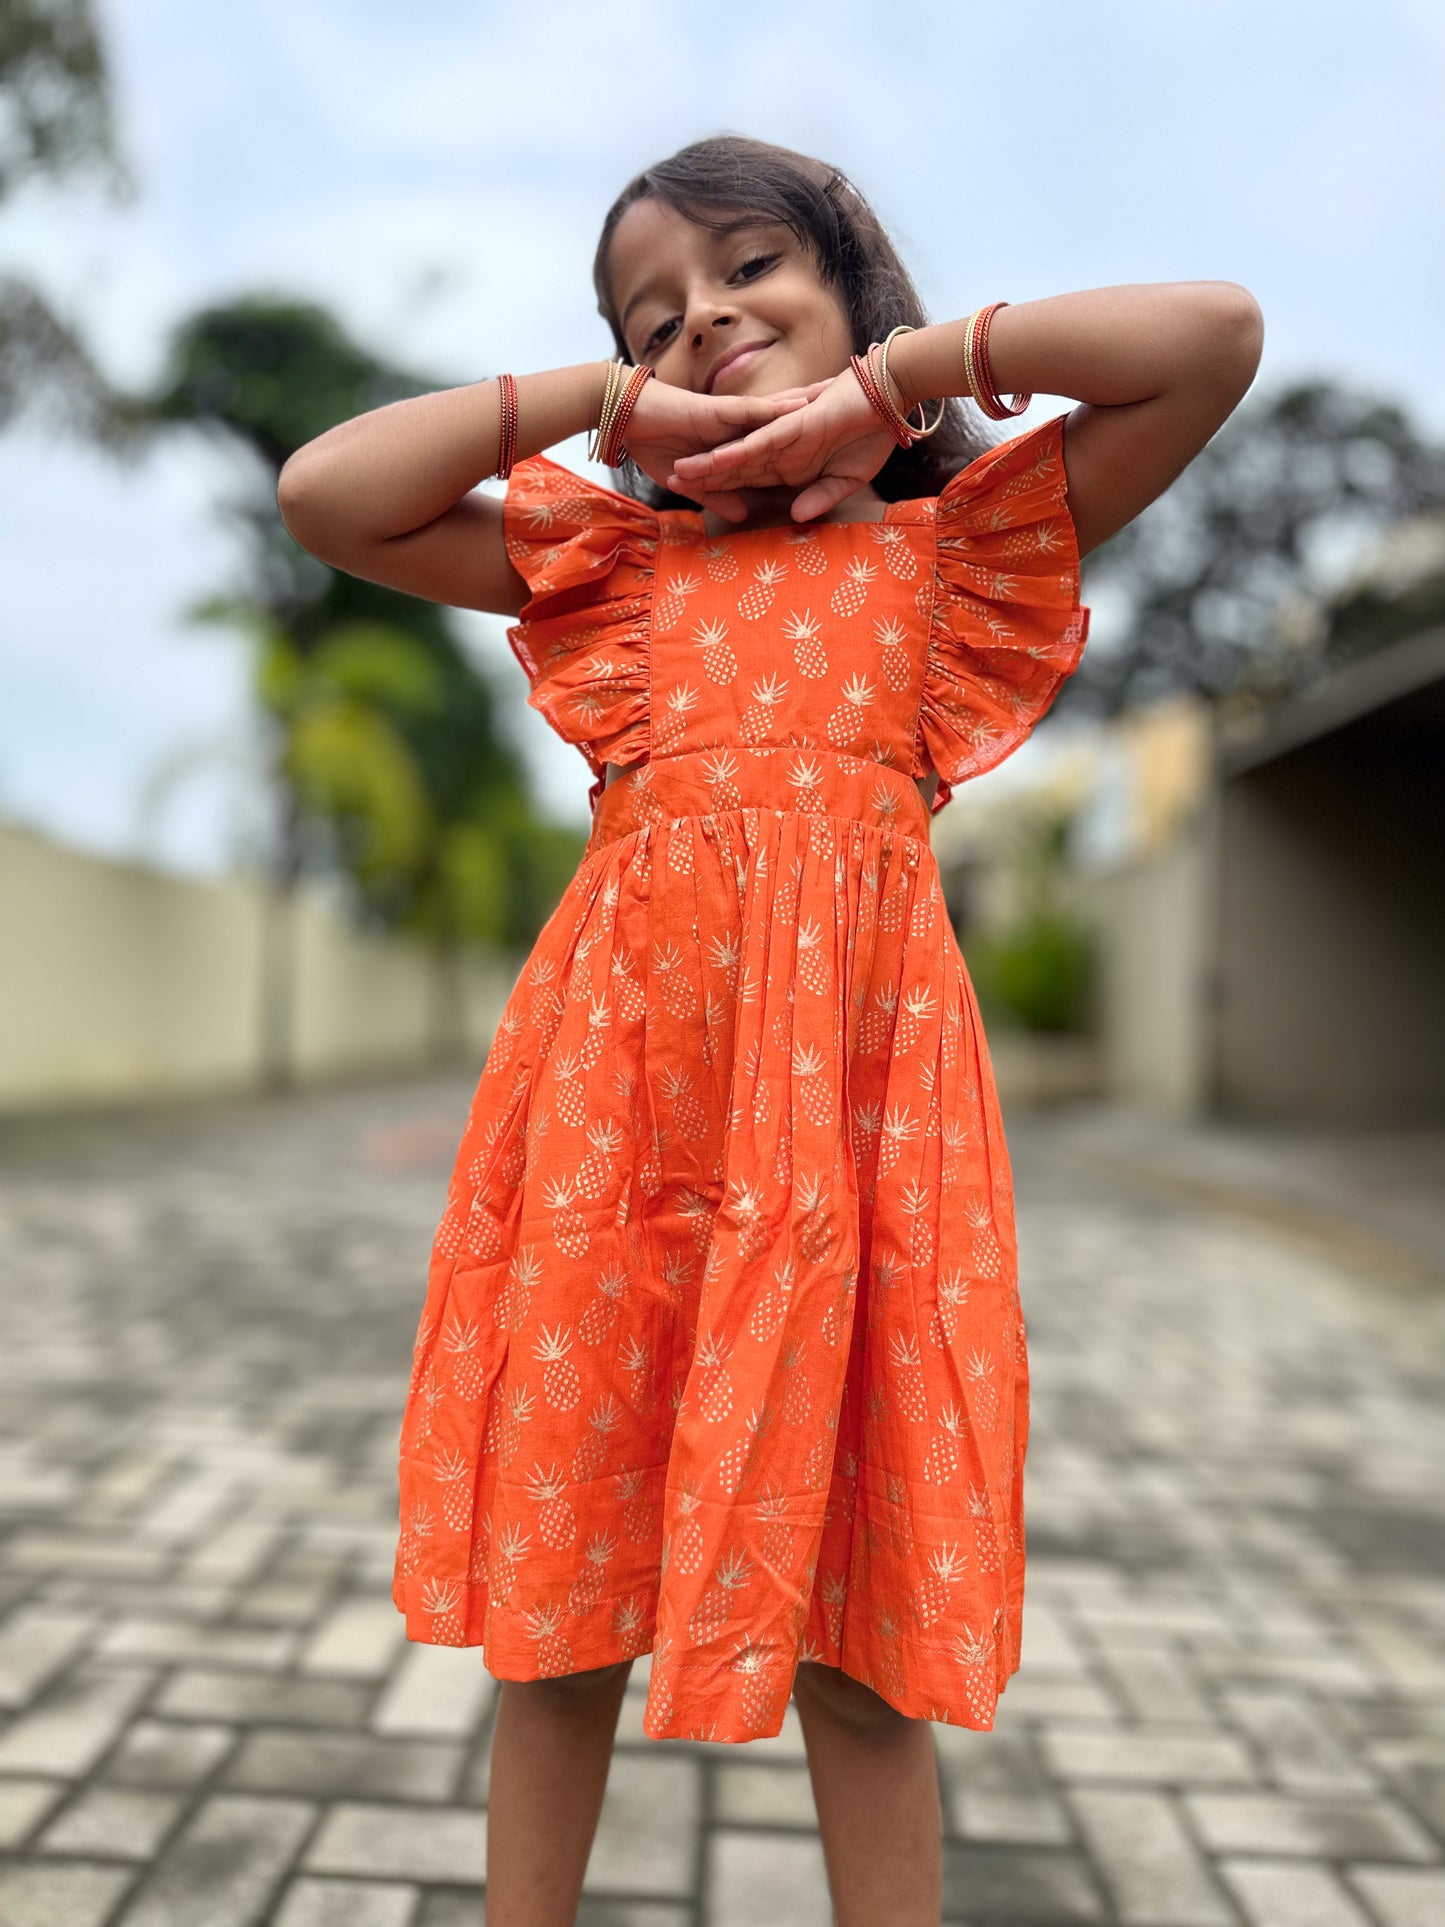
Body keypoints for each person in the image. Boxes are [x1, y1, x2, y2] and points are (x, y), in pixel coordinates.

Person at [277, 134, 1263, 1927]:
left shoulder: (951, 557)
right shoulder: (608, 576)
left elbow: (1208, 334)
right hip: (615, 1129)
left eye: (748, 269)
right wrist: (598, 401)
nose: (705, 318)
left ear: (848, 286)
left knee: (861, 1638)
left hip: (863, 1156)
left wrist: (896, 385)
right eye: (655, 310)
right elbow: (328, 495)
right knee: (557, 1609)